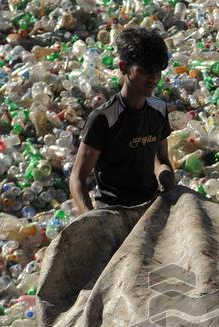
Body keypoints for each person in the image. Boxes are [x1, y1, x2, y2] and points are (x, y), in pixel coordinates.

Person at [70, 28, 176, 216]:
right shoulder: (104, 118)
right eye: (144, 71)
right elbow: (77, 178)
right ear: (123, 67)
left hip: (150, 206)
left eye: (157, 71)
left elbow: (161, 159)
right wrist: (90, 218)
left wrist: (166, 178)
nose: (153, 78)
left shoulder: (159, 110)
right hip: (114, 211)